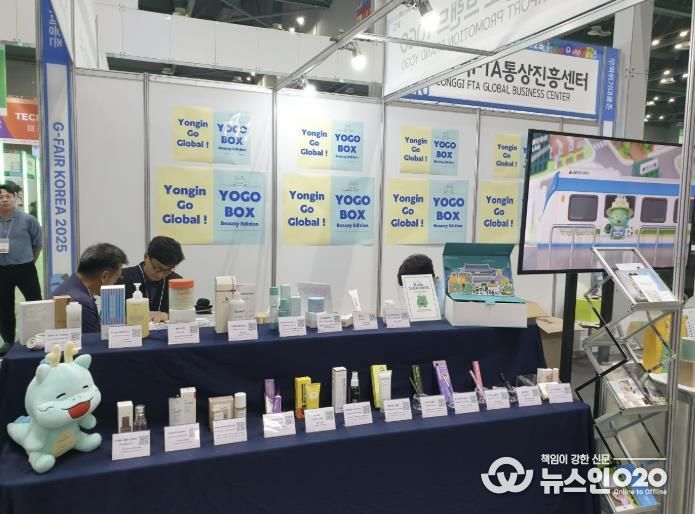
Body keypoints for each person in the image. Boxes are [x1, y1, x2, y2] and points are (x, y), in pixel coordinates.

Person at [0, 183, 43, 352]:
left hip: (25, 268)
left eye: (8, 196)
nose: (4, 200)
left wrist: (29, 261)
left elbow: (37, 244)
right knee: (4, 306)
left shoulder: (28, 220)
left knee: (35, 302)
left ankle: (39, 336)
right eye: (0, 197)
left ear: (15, 198)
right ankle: (8, 341)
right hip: (2, 270)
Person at [53, 243, 128, 333]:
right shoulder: (81, 303)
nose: (116, 283)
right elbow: (94, 341)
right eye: (117, 278)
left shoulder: (71, 285)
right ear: (105, 276)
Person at [119, 236, 184, 322]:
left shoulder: (176, 281)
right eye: (157, 269)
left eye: (168, 270)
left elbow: (182, 311)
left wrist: (168, 315)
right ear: (146, 257)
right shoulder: (122, 277)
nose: (161, 275)